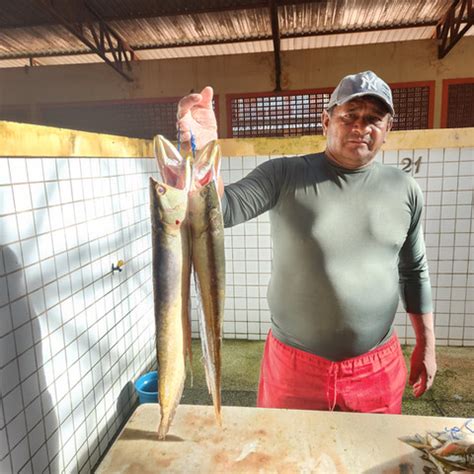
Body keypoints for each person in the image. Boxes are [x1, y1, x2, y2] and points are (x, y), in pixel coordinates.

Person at [176, 71, 437, 414]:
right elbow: (220, 211)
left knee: (371, 464)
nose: (361, 127)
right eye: (349, 116)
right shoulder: (283, 175)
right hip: (295, 368)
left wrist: (427, 344)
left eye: (374, 119)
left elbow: (414, 270)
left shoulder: (404, 188)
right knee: (288, 460)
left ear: (388, 129)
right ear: (326, 121)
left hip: (376, 367)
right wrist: (202, 151)